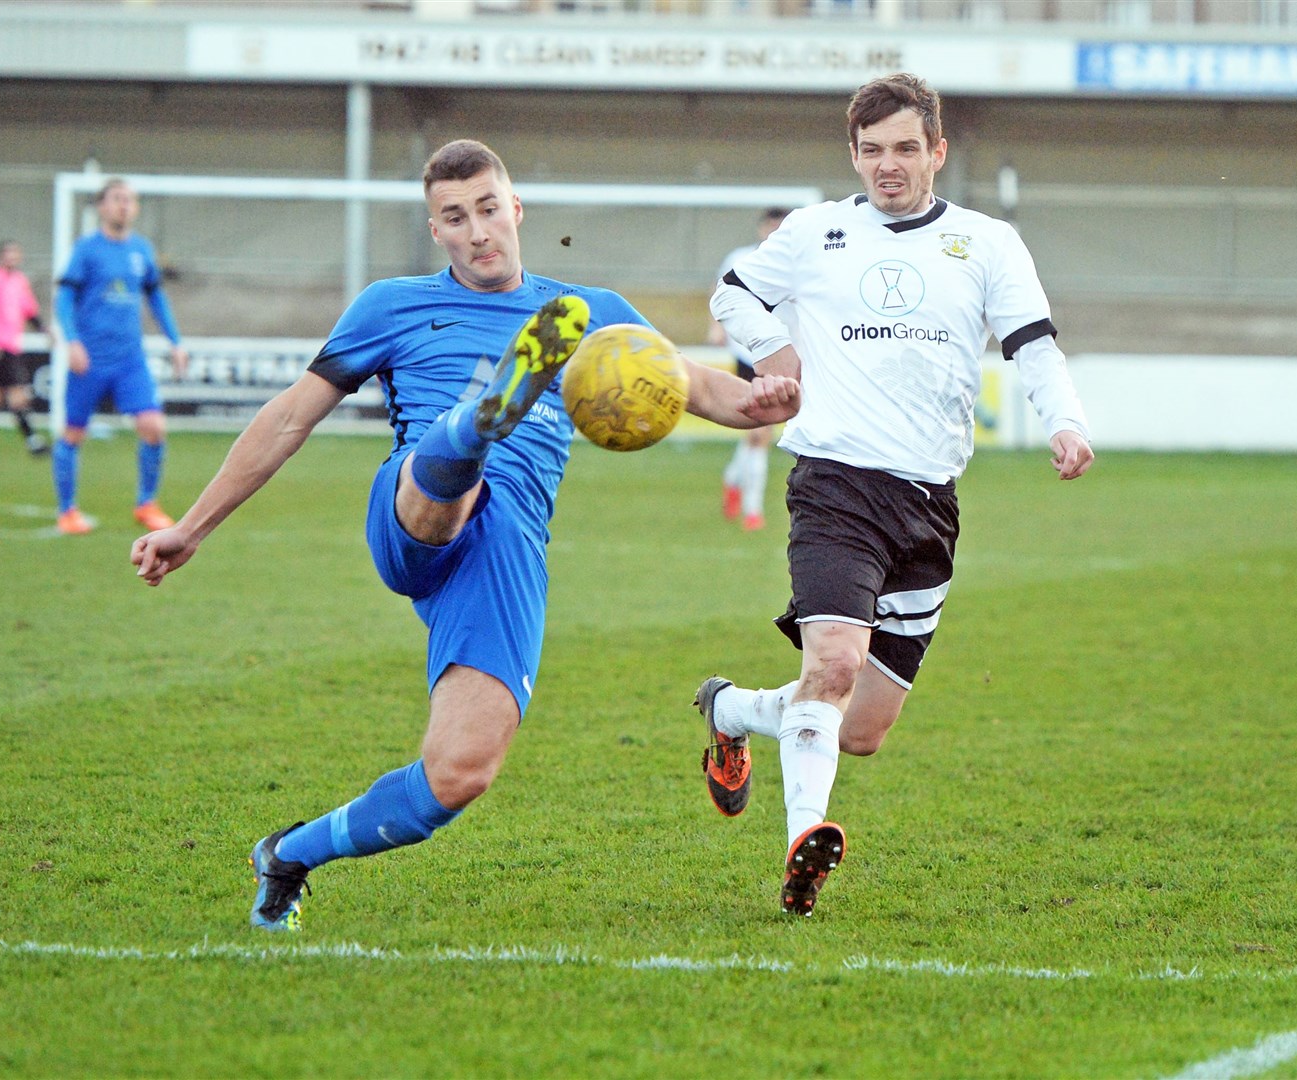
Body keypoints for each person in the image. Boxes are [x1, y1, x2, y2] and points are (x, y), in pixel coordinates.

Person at [128, 139, 801, 933]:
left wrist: (774, 395)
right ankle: (480, 421)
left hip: (504, 550)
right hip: (412, 507)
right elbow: (287, 418)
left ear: (515, 211)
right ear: (436, 231)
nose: (477, 229)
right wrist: (191, 527)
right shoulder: (390, 304)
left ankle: (288, 854)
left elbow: (708, 392)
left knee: (458, 776)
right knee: (452, 466)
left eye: (488, 209)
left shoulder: (596, 313)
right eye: (456, 217)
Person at [698, 72, 1094, 917]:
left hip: (928, 504)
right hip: (834, 486)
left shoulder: (987, 243)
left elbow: (1032, 342)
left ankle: (729, 709)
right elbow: (732, 291)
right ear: (853, 154)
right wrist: (777, 353)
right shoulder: (816, 232)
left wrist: (1063, 421)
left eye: (905, 149)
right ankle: (803, 842)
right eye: (871, 150)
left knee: (862, 728)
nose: (888, 166)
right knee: (832, 664)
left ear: (937, 153)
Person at [52, 178, 189, 535]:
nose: (123, 205)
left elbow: (156, 299)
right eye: (116, 199)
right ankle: (67, 511)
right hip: (91, 358)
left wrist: (175, 341)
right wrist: (72, 341)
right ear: (102, 206)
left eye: (129, 200)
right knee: (73, 433)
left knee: (154, 427)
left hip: (130, 359)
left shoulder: (141, 250)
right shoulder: (86, 249)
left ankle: (146, 503)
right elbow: (64, 299)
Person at [708, 207, 788, 531]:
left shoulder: (796, 261)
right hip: (745, 354)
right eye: (771, 226)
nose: (774, 232)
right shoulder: (740, 258)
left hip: (780, 353)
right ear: (761, 229)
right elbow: (719, 293)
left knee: (760, 434)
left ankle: (733, 480)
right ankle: (753, 510)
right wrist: (715, 328)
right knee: (759, 432)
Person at [0, 240, 52, 457]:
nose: (12, 257)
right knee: (18, 393)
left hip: (12, 345)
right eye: (8, 253)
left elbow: (29, 311)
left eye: (16, 253)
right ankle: (33, 442)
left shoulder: (19, 281)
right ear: (0, 256)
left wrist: (44, 329)